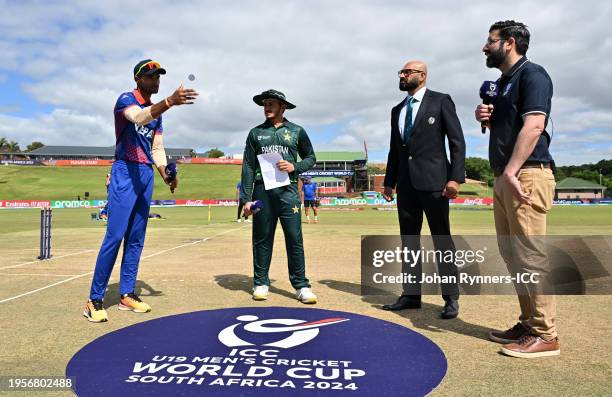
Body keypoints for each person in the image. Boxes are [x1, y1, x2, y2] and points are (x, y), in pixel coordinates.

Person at [83, 59, 198, 323]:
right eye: (150, 76)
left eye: (158, 76)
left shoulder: (157, 114)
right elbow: (138, 117)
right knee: (115, 236)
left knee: (136, 238)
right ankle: (94, 299)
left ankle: (127, 294)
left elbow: (157, 149)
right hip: (125, 170)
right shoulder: (126, 100)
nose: (155, 80)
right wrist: (169, 102)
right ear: (138, 79)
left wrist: (166, 174)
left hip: (145, 174)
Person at [475, 21, 559, 358]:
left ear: (509, 43)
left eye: (490, 41)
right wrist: (487, 118)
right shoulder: (502, 83)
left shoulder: (533, 75)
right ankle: (529, 323)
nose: (485, 47)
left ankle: (546, 334)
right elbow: (509, 124)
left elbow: (535, 125)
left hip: (526, 175)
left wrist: (510, 171)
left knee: (531, 256)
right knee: (514, 257)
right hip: (506, 176)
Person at [382, 60, 466, 319]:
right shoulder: (397, 110)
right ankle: (411, 294)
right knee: (409, 242)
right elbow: (395, 149)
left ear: (422, 75)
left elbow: (457, 142)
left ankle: (451, 297)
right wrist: (389, 180)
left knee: (442, 239)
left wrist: (455, 178)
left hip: (435, 185)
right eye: (401, 72)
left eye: (407, 72)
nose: (402, 75)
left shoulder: (441, 101)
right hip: (405, 186)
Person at [240, 89, 317, 304]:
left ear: (283, 107)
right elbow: (247, 165)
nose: (267, 107)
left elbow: (311, 158)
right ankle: (261, 282)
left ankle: (301, 285)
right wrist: (246, 198)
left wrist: (295, 166)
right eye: (265, 104)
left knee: (294, 239)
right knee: (262, 238)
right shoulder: (255, 133)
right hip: (262, 191)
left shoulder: (296, 131)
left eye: (272, 103)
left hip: (288, 191)